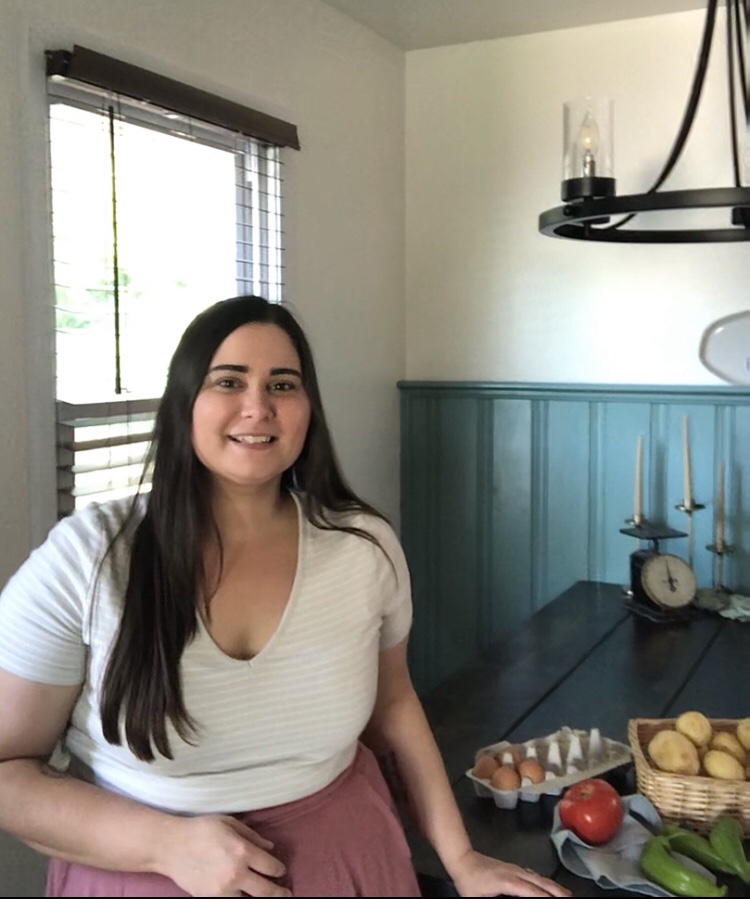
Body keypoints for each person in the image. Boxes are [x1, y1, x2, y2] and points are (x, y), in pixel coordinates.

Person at [0, 295, 570, 898]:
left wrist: (462, 859)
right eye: (228, 381)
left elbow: (394, 704)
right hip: (136, 874)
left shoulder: (363, 547)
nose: (257, 407)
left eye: (282, 384)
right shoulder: (87, 557)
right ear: (183, 402)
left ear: (308, 410)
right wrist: (165, 846)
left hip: (349, 860)